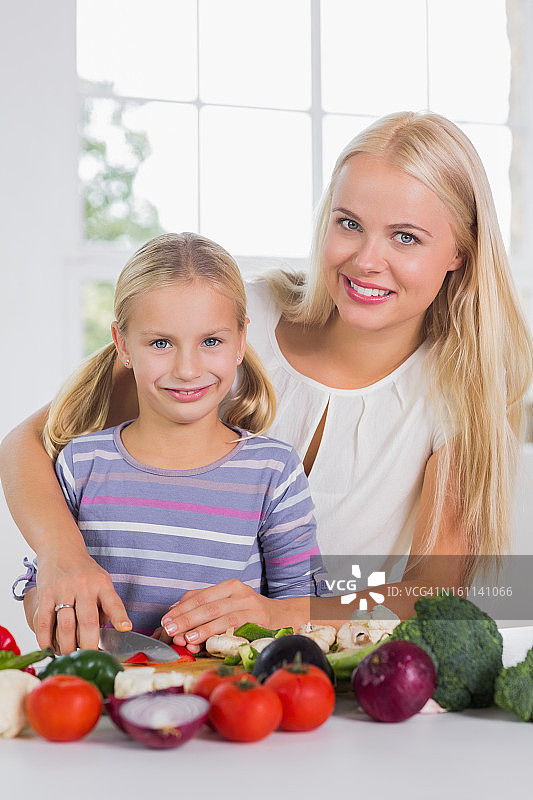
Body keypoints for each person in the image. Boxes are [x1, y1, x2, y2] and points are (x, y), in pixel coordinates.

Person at [2, 111, 532, 652]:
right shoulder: (230, 321)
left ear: (459, 253)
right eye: (348, 223)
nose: (368, 260)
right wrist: (62, 553)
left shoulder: (458, 392)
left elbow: (429, 594)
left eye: (405, 237)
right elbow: (27, 445)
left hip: (309, 671)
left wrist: (280, 613)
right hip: (152, 657)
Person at [10, 232, 323, 652]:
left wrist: (260, 618)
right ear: (122, 343)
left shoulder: (274, 472)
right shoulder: (81, 463)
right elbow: (40, 583)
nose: (188, 369)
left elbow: (308, 605)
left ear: (241, 340)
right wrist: (61, 613)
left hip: (226, 698)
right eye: (161, 343)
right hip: (101, 695)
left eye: (211, 341)